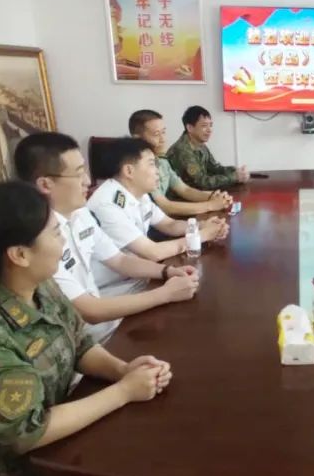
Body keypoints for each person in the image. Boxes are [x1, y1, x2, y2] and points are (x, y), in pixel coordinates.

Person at [0, 181, 172, 476]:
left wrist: (122, 370)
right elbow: (27, 432)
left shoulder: (40, 287)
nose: (63, 241)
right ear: (20, 255)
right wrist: (124, 392)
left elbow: (79, 342)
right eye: (56, 232)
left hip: (49, 457)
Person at [13, 132, 199, 344]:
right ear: (46, 184)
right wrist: (165, 294)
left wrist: (167, 271)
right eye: (78, 174)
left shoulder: (79, 213)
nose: (87, 181)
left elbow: (120, 260)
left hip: (102, 314)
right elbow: (90, 311)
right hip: (83, 338)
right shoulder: (37, 238)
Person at [89, 137, 229, 262]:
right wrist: (203, 235)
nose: (157, 171)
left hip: (141, 273)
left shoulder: (139, 193)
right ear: (129, 171)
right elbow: (153, 252)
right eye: (151, 164)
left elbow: (169, 225)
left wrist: (200, 226)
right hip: (123, 282)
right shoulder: (108, 204)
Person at [129, 109, 233, 216]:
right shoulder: (138, 168)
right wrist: (210, 205)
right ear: (137, 139)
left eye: (163, 132)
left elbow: (184, 189)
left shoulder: (162, 161)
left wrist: (214, 196)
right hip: (155, 219)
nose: (163, 139)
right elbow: (165, 206)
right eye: (156, 134)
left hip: (165, 218)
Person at [167, 105, 249, 190]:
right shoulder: (182, 150)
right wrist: (234, 177)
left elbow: (215, 168)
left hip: (196, 193)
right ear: (190, 128)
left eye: (210, 125)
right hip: (180, 196)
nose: (209, 130)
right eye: (204, 126)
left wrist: (236, 171)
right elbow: (202, 183)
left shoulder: (200, 144)